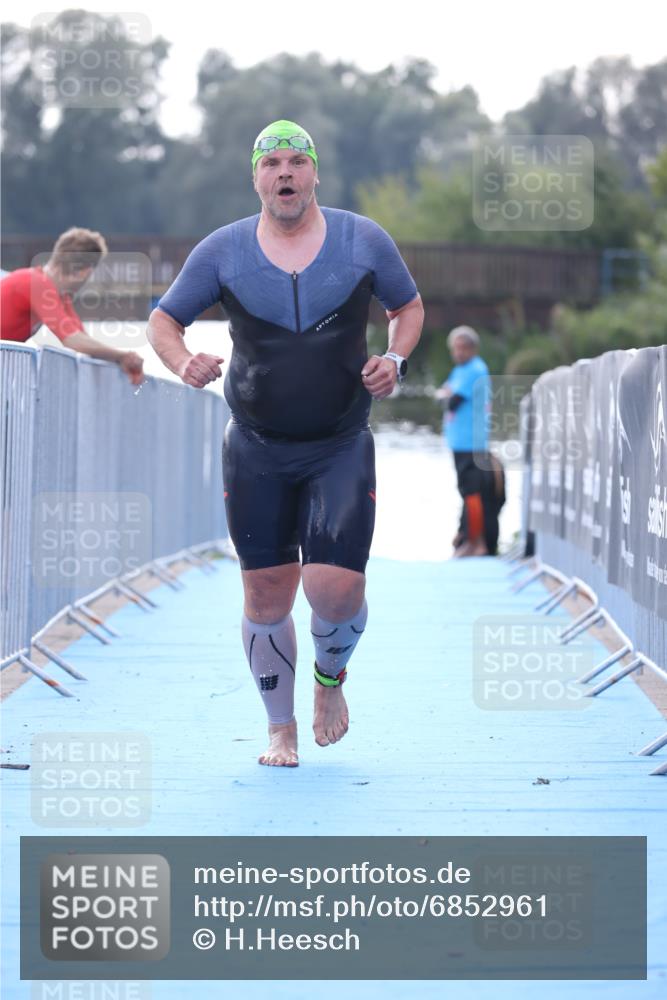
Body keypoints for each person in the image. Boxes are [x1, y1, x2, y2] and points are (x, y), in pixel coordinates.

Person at [146, 119, 424, 767]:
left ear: (314, 173)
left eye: (296, 161)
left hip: (339, 443)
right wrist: (182, 361)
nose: (285, 173)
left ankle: (330, 679)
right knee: (267, 593)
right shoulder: (223, 251)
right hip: (256, 446)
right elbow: (163, 320)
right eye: (271, 164)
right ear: (256, 179)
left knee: (335, 591)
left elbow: (406, 307)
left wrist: (396, 359)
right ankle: (280, 728)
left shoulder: (361, 240)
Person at [1, 227, 144, 385]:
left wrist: (119, 359)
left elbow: (83, 340)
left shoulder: (59, 295)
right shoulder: (37, 284)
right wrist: (123, 356)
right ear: (85, 272)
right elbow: (73, 340)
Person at [436, 325, 504, 557]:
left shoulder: (475, 369)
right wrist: (444, 396)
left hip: (471, 444)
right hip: (459, 443)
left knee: (474, 493)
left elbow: (450, 401)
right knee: (467, 493)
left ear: (474, 348)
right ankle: (468, 537)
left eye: (464, 348)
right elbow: (442, 396)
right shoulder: (460, 370)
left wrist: (445, 396)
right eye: (455, 348)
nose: (459, 352)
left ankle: (476, 542)